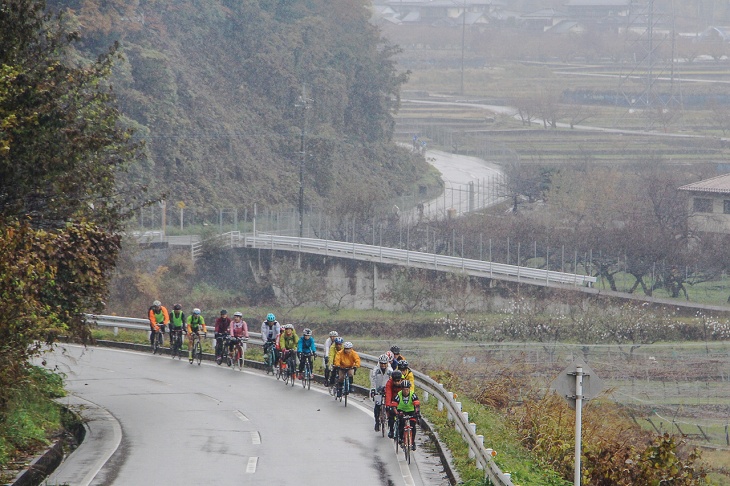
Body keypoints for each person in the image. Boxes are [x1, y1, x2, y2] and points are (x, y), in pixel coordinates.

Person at [394, 379, 421, 451]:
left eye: (407, 389)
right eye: (404, 389)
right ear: (402, 389)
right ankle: (401, 439)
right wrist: (397, 413)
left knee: (413, 426)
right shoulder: (399, 395)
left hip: (411, 411)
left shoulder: (413, 395)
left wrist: (417, 413)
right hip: (401, 411)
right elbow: (394, 406)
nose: (406, 391)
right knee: (401, 424)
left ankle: (412, 442)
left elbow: (417, 405)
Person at [370, 354, 392, 431]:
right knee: (377, 405)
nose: (383, 365)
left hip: (387, 389)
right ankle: (376, 421)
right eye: (381, 363)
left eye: (384, 363)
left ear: (387, 363)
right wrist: (373, 390)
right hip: (377, 389)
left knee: (389, 406)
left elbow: (392, 381)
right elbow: (373, 380)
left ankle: (389, 422)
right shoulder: (376, 370)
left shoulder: (390, 370)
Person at [384, 370, 404, 438]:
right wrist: (388, 405)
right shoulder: (389, 383)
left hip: (401, 401)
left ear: (401, 379)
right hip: (393, 400)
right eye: (395, 381)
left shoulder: (404, 383)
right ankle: (391, 430)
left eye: (398, 381)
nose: (396, 383)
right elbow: (388, 394)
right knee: (391, 414)